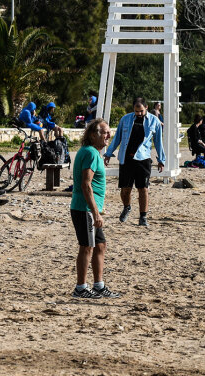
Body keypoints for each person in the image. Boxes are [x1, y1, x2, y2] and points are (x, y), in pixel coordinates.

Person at [70, 118, 122, 299]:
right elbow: (86, 185)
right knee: (87, 247)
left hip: (89, 209)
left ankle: (99, 285)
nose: (109, 135)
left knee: (100, 245)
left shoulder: (91, 152)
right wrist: (95, 212)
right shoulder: (91, 153)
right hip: (84, 209)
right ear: (93, 135)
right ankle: (80, 288)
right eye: (105, 132)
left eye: (109, 132)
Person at [104, 97, 165, 227]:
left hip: (143, 159)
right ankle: (127, 207)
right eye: (136, 111)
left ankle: (143, 217)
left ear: (146, 108)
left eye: (141, 111)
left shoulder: (154, 121)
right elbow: (117, 138)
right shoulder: (125, 119)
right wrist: (108, 154)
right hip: (126, 158)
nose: (139, 114)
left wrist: (161, 159)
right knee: (125, 189)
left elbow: (158, 142)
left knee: (143, 189)